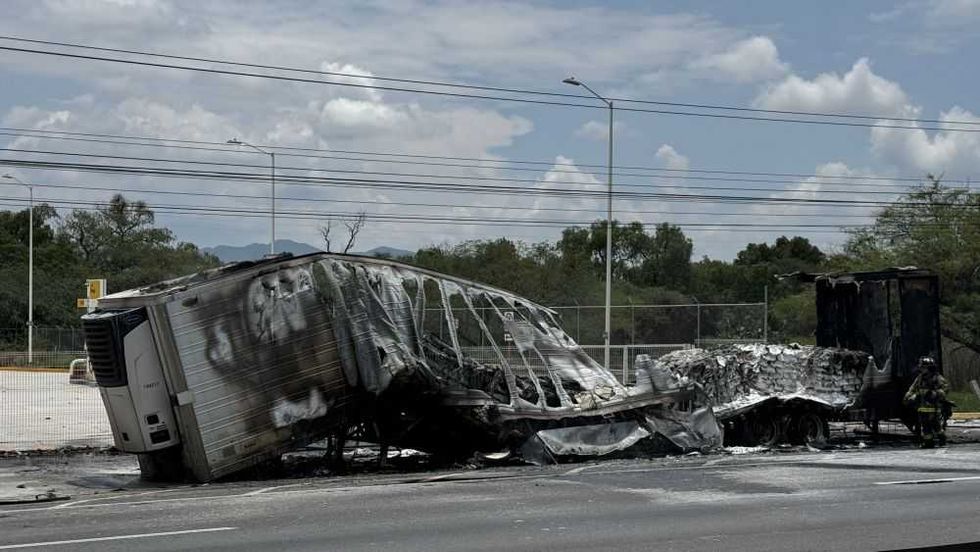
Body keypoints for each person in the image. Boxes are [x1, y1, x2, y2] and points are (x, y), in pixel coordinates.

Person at [904, 356, 950, 448]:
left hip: (933, 407)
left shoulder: (937, 378)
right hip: (922, 407)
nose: (921, 369)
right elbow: (912, 388)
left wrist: (934, 394)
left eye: (923, 367)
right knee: (925, 425)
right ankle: (929, 442)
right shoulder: (919, 378)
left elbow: (945, 389)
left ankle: (941, 437)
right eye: (921, 367)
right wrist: (908, 397)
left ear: (929, 367)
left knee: (935, 425)